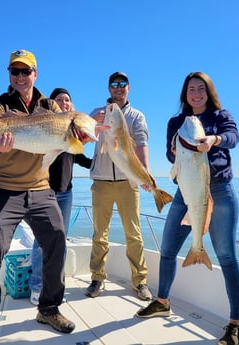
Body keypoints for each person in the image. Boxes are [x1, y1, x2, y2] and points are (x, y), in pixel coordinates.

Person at [0, 49, 75, 345]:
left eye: (25, 71)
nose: (19, 77)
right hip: (3, 188)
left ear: (35, 74)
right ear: (9, 75)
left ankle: (49, 308)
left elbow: (67, 135)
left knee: (56, 241)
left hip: (40, 188)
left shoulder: (49, 105)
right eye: (14, 71)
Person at [135, 72, 239, 345]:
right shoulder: (176, 121)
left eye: (201, 89)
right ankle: (162, 301)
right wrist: (175, 150)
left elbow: (233, 136)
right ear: (185, 95)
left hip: (219, 191)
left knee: (227, 256)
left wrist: (213, 140)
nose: (196, 94)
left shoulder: (220, 116)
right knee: (168, 249)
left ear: (208, 92)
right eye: (191, 90)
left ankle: (236, 323)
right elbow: (170, 155)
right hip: (185, 191)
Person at [85, 71, 153, 301]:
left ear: (129, 88)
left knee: (134, 234)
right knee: (99, 235)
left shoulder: (137, 116)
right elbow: (83, 135)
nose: (118, 87)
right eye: (114, 84)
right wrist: (92, 120)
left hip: (128, 182)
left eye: (122, 83)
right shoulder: (99, 113)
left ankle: (140, 281)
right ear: (108, 88)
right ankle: (97, 278)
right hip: (101, 181)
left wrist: (144, 172)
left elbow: (142, 143)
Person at [29, 88, 92, 305]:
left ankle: (55, 286)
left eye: (67, 99)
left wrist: (105, 166)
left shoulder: (73, 134)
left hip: (66, 193)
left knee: (60, 242)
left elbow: (82, 159)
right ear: (52, 104)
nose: (64, 102)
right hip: (43, 191)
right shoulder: (46, 128)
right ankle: (37, 286)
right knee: (40, 242)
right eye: (59, 100)